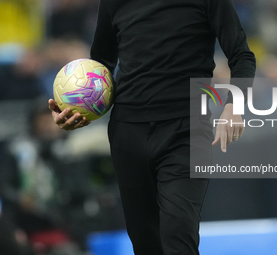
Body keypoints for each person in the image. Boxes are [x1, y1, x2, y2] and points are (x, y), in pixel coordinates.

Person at [49, 0, 256, 254]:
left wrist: (233, 105)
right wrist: (75, 112)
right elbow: (101, 64)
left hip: (187, 131)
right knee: (146, 243)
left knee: (178, 234)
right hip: (128, 133)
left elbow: (241, 55)